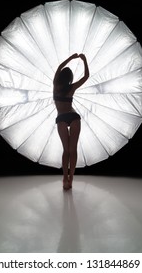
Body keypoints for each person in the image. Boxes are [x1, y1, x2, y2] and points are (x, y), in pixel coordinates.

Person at [53, 53, 89, 190]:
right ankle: (67, 178)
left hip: (68, 117)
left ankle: (68, 178)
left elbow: (59, 67)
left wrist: (71, 59)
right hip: (68, 117)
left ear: (61, 76)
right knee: (69, 150)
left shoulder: (57, 85)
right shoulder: (64, 86)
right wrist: (83, 60)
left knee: (69, 150)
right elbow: (86, 76)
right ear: (69, 78)